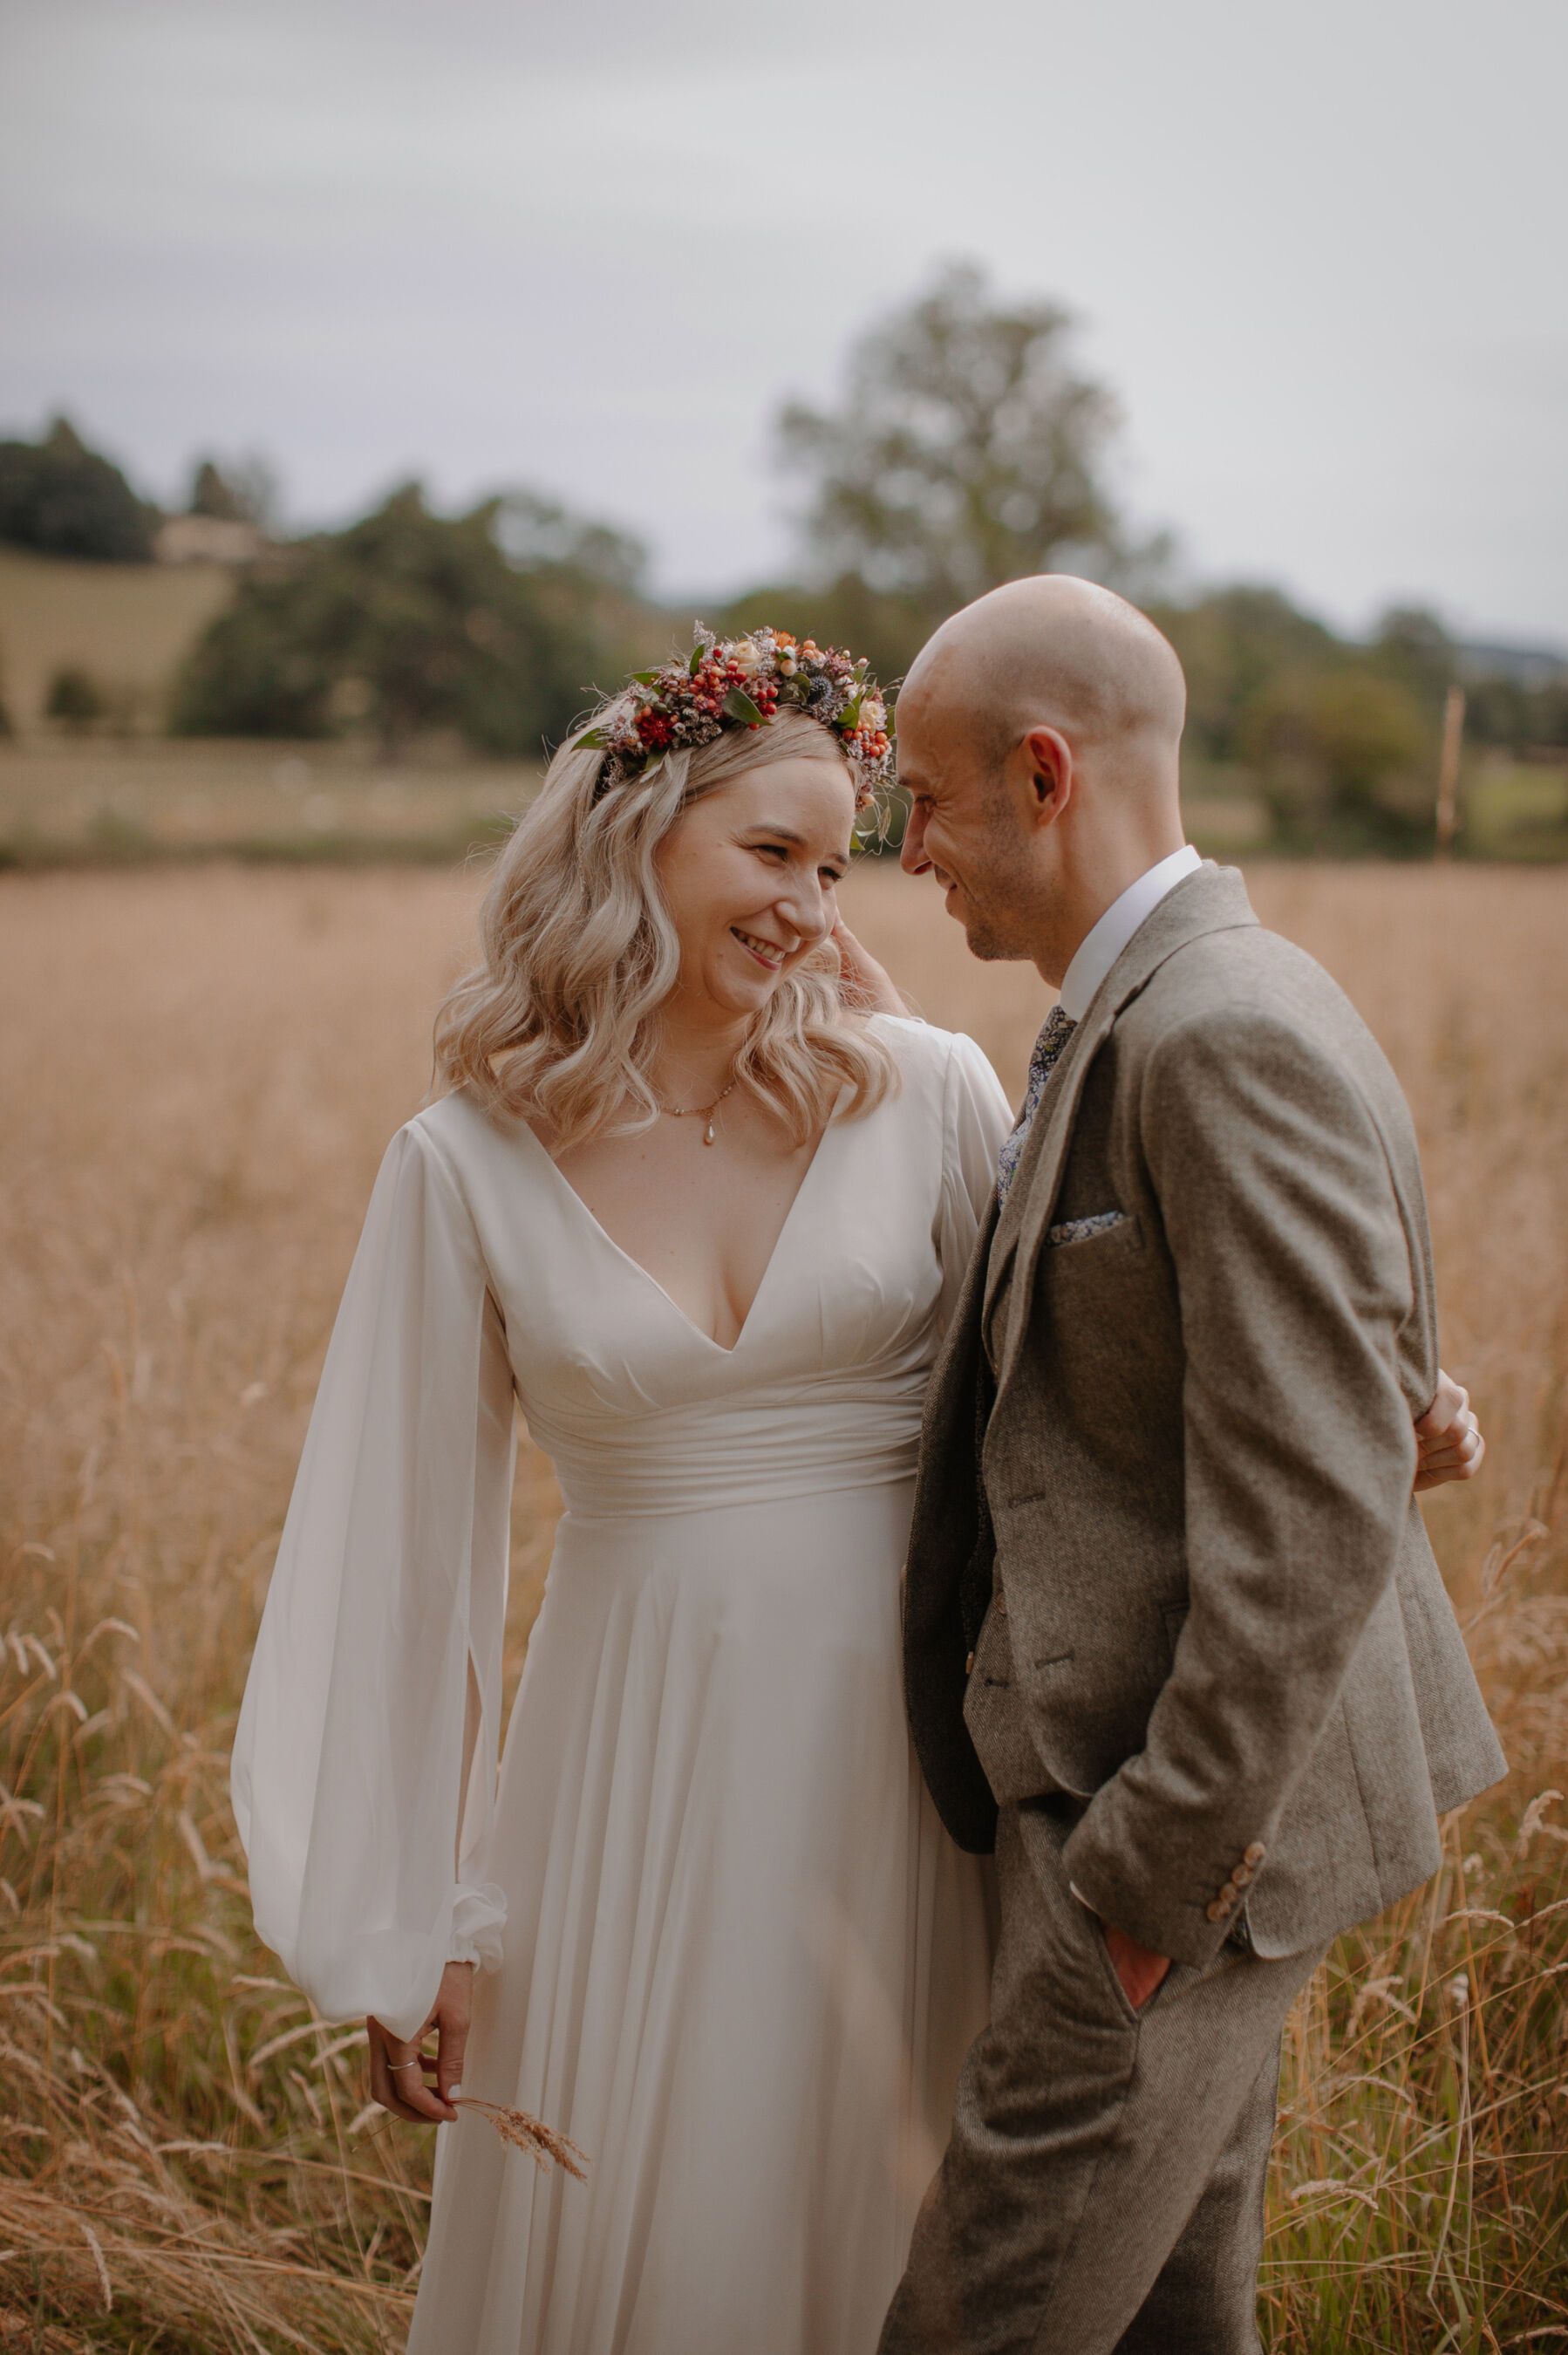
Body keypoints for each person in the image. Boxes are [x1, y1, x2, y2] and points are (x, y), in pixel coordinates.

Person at [231, 622, 1483, 2355]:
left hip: (923, 1779)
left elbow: (1099, 1359)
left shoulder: (924, 1092)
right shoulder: (465, 1161)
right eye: (773, 856)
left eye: (838, 865)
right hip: (631, 1764)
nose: (819, 908)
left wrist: (1376, 1409)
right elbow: (401, 1554)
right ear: (632, 833)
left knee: (938, 2244)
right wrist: (424, 1922)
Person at [880, 576, 1503, 2355]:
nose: (908, 849)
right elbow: (1310, 1397)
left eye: (926, 799)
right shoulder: (1160, 997)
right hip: (1147, 1833)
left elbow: (1303, 1526)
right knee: (1168, 2330)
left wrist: (1144, 1896)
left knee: (971, 2324)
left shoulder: (1220, 1031)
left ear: (1045, 772)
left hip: (1174, 1857)